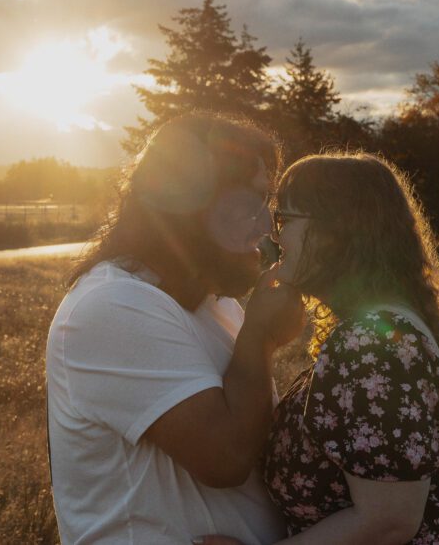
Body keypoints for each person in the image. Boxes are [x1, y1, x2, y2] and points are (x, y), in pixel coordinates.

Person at [46, 114, 305, 545]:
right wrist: (260, 335)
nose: (265, 227)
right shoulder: (112, 306)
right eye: (249, 204)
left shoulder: (214, 304)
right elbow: (226, 458)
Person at [200, 152, 439, 545]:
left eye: (285, 220)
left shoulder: (373, 342)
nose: (273, 234)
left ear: (338, 233)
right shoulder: (372, 332)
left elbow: (388, 522)